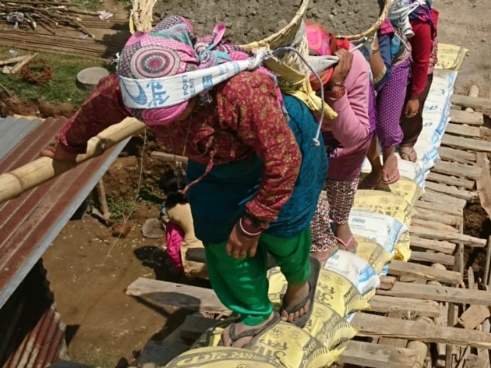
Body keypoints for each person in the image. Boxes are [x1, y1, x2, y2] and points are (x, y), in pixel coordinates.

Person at [41, 16, 328, 348]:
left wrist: (253, 221)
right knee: (220, 241)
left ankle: (299, 282)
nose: (162, 126)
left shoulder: (240, 92)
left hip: (281, 152)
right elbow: (96, 110)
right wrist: (68, 144)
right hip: (212, 165)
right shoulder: (129, 86)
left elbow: (284, 160)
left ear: (195, 87)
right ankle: (255, 312)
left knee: (283, 232)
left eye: (172, 114)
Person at [305, 21, 372, 261]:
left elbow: (353, 136)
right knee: (304, 188)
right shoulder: (283, 67)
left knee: (342, 184)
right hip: (309, 135)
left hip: (347, 139)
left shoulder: (355, 65)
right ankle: (322, 238)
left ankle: (341, 221)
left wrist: (336, 88)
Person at [361, 17, 412, 188]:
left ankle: (389, 154)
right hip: (360, 69)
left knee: (387, 125)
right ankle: (376, 168)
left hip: (392, 66)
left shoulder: (380, 31)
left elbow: (380, 76)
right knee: (364, 126)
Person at [399, 0, 439, 162]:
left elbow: (422, 63)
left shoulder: (419, 20)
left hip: (419, 60)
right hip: (398, 56)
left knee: (412, 108)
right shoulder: (386, 12)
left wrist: (415, 96)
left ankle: (408, 141)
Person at [158, 169, 208, 279]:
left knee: (172, 228)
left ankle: (177, 265)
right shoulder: (206, 200)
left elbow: (173, 236)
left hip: (193, 259)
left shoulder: (171, 210)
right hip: (222, 259)